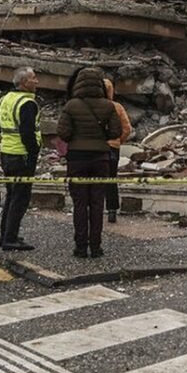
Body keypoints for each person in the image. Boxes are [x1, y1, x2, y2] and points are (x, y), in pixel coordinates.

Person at [57, 67, 121, 258]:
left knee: (79, 203)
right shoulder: (108, 106)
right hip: (100, 158)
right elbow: (115, 132)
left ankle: (80, 246)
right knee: (97, 203)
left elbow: (63, 133)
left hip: (77, 158)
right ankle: (96, 246)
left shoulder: (71, 106)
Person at [0, 67, 41, 251]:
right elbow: (27, 133)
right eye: (33, 78)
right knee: (20, 198)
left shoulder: (5, 99)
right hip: (21, 154)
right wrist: (34, 152)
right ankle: (10, 238)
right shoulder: (27, 103)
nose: (36, 81)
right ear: (24, 83)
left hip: (6, 152)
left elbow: (0, 125)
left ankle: (6, 235)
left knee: (11, 196)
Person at [103, 78, 132, 224]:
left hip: (94, 147)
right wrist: (118, 141)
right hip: (112, 148)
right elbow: (127, 128)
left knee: (92, 179)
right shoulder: (117, 107)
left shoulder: (89, 106)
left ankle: (92, 208)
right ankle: (112, 210)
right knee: (111, 179)